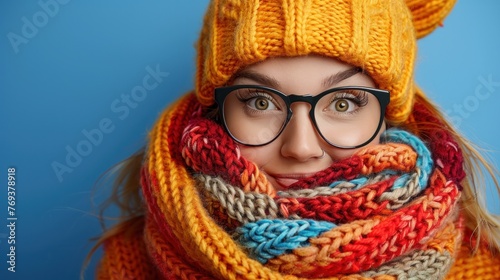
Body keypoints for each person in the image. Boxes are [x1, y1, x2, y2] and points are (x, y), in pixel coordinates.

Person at [88, 0, 500, 279]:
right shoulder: (130, 264)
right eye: (260, 101)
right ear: (215, 110)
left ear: (388, 118)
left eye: (344, 103)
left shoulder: (481, 266)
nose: (301, 147)